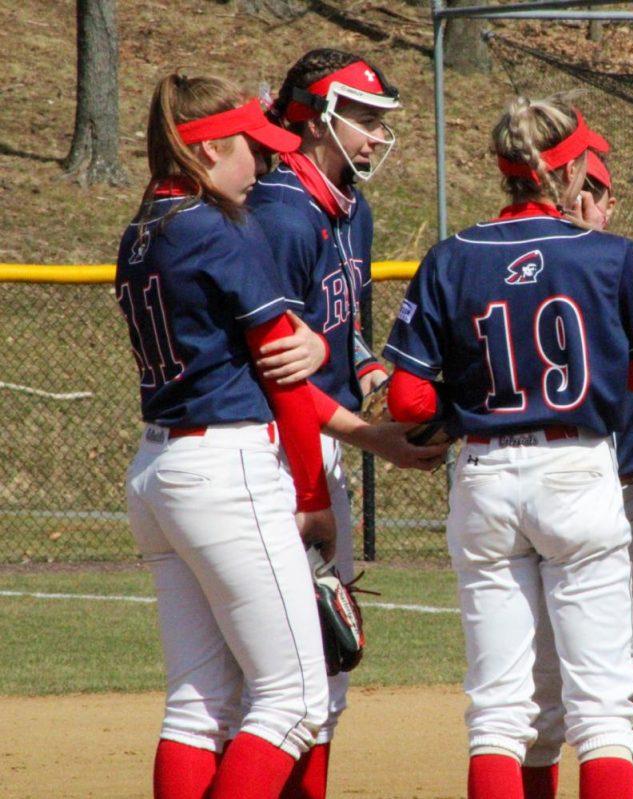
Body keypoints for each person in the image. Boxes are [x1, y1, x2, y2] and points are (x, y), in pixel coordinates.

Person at [119, 72, 417, 799]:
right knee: (295, 700)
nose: (264, 163)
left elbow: (278, 349)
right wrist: (313, 494)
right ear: (210, 147)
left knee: (199, 705)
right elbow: (286, 370)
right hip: (228, 467)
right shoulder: (218, 227)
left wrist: (318, 347)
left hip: (161, 468)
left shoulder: (143, 230)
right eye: (253, 147)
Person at [382, 94, 633, 799]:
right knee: (604, 709)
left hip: (485, 475)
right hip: (576, 469)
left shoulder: (452, 257)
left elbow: (408, 401)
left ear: (501, 168)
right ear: (574, 168)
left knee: (498, 713)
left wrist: (475, 399)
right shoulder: (616, 257)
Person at [246, 48, 448, 798]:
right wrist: (369, 442)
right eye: (362, 119)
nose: (375, 136)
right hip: (278, 452)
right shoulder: (279, 216)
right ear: (315, 117)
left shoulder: (349, 206)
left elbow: (339, 321)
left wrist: (369, 370)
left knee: (326, 674)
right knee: (287, 682)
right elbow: (276, 368)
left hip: (323, 442)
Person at [520, 148, 633, 799]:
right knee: (537, 702)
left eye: (590, 189)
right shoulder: (516, 267)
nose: (578, 201)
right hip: (546, 497)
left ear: (609, 200)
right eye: (568, 187)